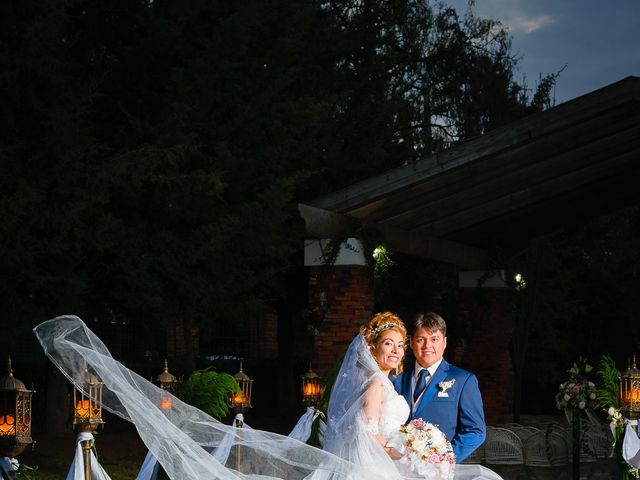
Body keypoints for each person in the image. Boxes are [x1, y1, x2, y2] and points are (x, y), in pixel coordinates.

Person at [34, 314, 500, 480]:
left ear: (443, 342)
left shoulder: (458, 379)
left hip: (422, 466)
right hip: (384, 465)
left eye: (417, 342)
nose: (412, 349)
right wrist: (407, 454)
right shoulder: (384, 382)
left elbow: (471, 430)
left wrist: (436, 459)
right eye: (400, 343)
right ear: (377, 348)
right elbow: (373, 430)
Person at [392, 312, 486, 462]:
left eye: (434, 339)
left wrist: (444, 459)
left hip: (439, 472)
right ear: (410, 342)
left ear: (445, 342)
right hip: (398, 468)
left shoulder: (463, 380)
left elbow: (475, 431)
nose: (427, 346)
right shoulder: (396, 380)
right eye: (420, 339)